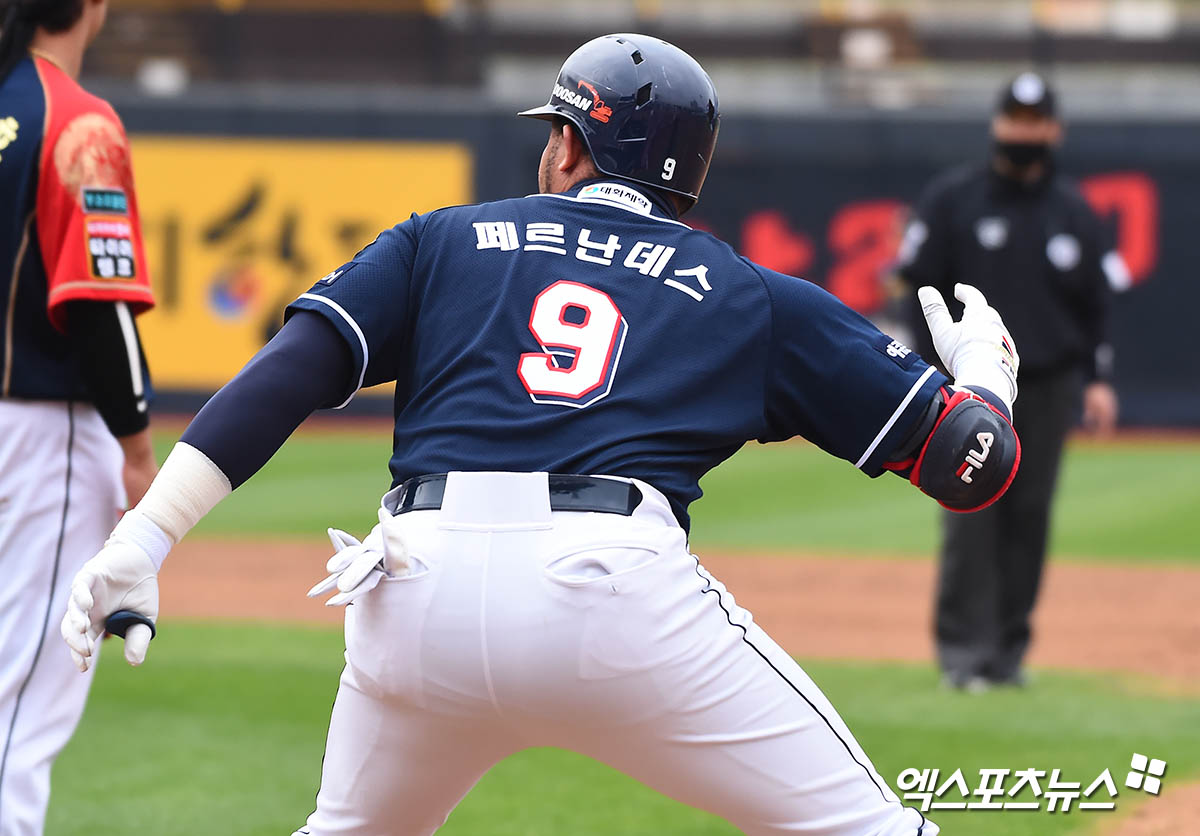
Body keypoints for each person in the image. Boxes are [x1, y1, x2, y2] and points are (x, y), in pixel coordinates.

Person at [62, 34, 1020, 836]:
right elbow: (970, 463)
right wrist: (986, 371)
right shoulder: (748, 295)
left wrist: (145, 539)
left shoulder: (439, 239)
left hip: (415, 583)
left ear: (570, 145)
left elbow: (286, 375)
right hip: (611, 595)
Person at [895, 71, 1124, 691]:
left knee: (1029, 514)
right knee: (969, 510)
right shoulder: (954, 199)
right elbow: (917, 286)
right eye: (1015, 120)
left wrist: (1099, 378)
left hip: (1046, 385)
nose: (1024, 133)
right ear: (998, 124)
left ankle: (1008, 652)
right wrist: (927, 370)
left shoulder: (1074, 210)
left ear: (1054, 130)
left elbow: (1097, 304)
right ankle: (962, 654)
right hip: (968, 384)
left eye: (1035, 122)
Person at [0, 0, 156, 832]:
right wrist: (137, 448)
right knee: (20, 713)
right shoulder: (76, 121)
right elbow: (100, 304)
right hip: (40, 434)